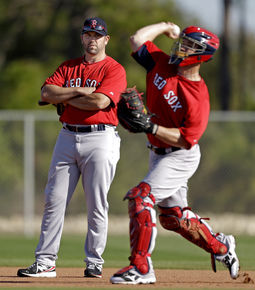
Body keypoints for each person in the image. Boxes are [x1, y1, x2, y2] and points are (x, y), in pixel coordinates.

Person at [110, 22, 239, 285]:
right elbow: (136, 38)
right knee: (173, 219)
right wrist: (166, 26)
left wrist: (150, 125)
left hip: (181, 155)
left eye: (190, 45)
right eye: (183, 42)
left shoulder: (198, 97)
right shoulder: (161, 64)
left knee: (141, 197)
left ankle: (141, 267)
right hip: (157, 152)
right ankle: (223, 249)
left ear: (201, 55)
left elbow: (185, 139)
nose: (181, 46)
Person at [17, 16, 127, 278]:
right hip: (67, 136)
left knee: (96, 203)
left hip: (101, 138)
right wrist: (80, 91)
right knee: (53, 200)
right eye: (88, 34)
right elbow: (45, 93)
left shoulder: (114, 69)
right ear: (82, 37)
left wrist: (66, 95)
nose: (93, 39)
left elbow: (100, 102)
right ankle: (45, 262)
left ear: (106, 39)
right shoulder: (68, 67)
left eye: (98, 35)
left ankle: (94, 262)